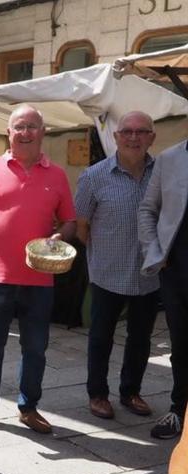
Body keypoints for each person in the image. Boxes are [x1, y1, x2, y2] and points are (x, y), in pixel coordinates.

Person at [0, 105, 77, 437]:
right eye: (19, 127)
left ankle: (28, 407)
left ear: (43, 132)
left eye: (32, 126)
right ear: (8, 133)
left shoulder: (56, 174)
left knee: (36, 347)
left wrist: (60, 237)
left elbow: (70, 221)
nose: (25, 132)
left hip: (39, 278)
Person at [76, 111, 160, 421]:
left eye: (141, 132)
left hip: (149, 273)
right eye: (127, 131)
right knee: (101, 337)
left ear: (152, 137)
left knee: (140, 338)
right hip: (107, 273)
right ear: (116, 137)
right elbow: (82, 226)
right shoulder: (94, 176)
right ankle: (97, 394)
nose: (134, 137)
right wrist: (101, 253)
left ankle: (131, 391)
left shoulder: (162, 172)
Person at [138, 133, 188, 440]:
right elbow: (147, 209)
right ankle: (177, 409)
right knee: (181, 347)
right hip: (177, 272)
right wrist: (156, 253)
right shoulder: (169, 158)